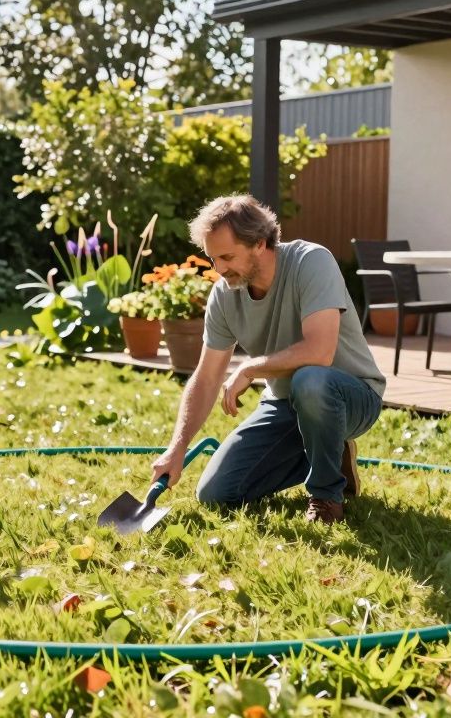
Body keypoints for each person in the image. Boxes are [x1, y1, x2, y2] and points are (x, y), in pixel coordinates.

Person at [150, 195, 386, 524]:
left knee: (311, 380)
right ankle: (327, 452)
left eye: (227, 257)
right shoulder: (224, 293)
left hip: (350, 395)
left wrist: (250, 367)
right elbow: (206, 378)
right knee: (217, 494)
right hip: (285, 403)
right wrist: (176, 449)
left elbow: (320, 352)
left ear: (259, 244)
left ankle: (326, 495)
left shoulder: (311, 262)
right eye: (213, 259)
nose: (219, 269)